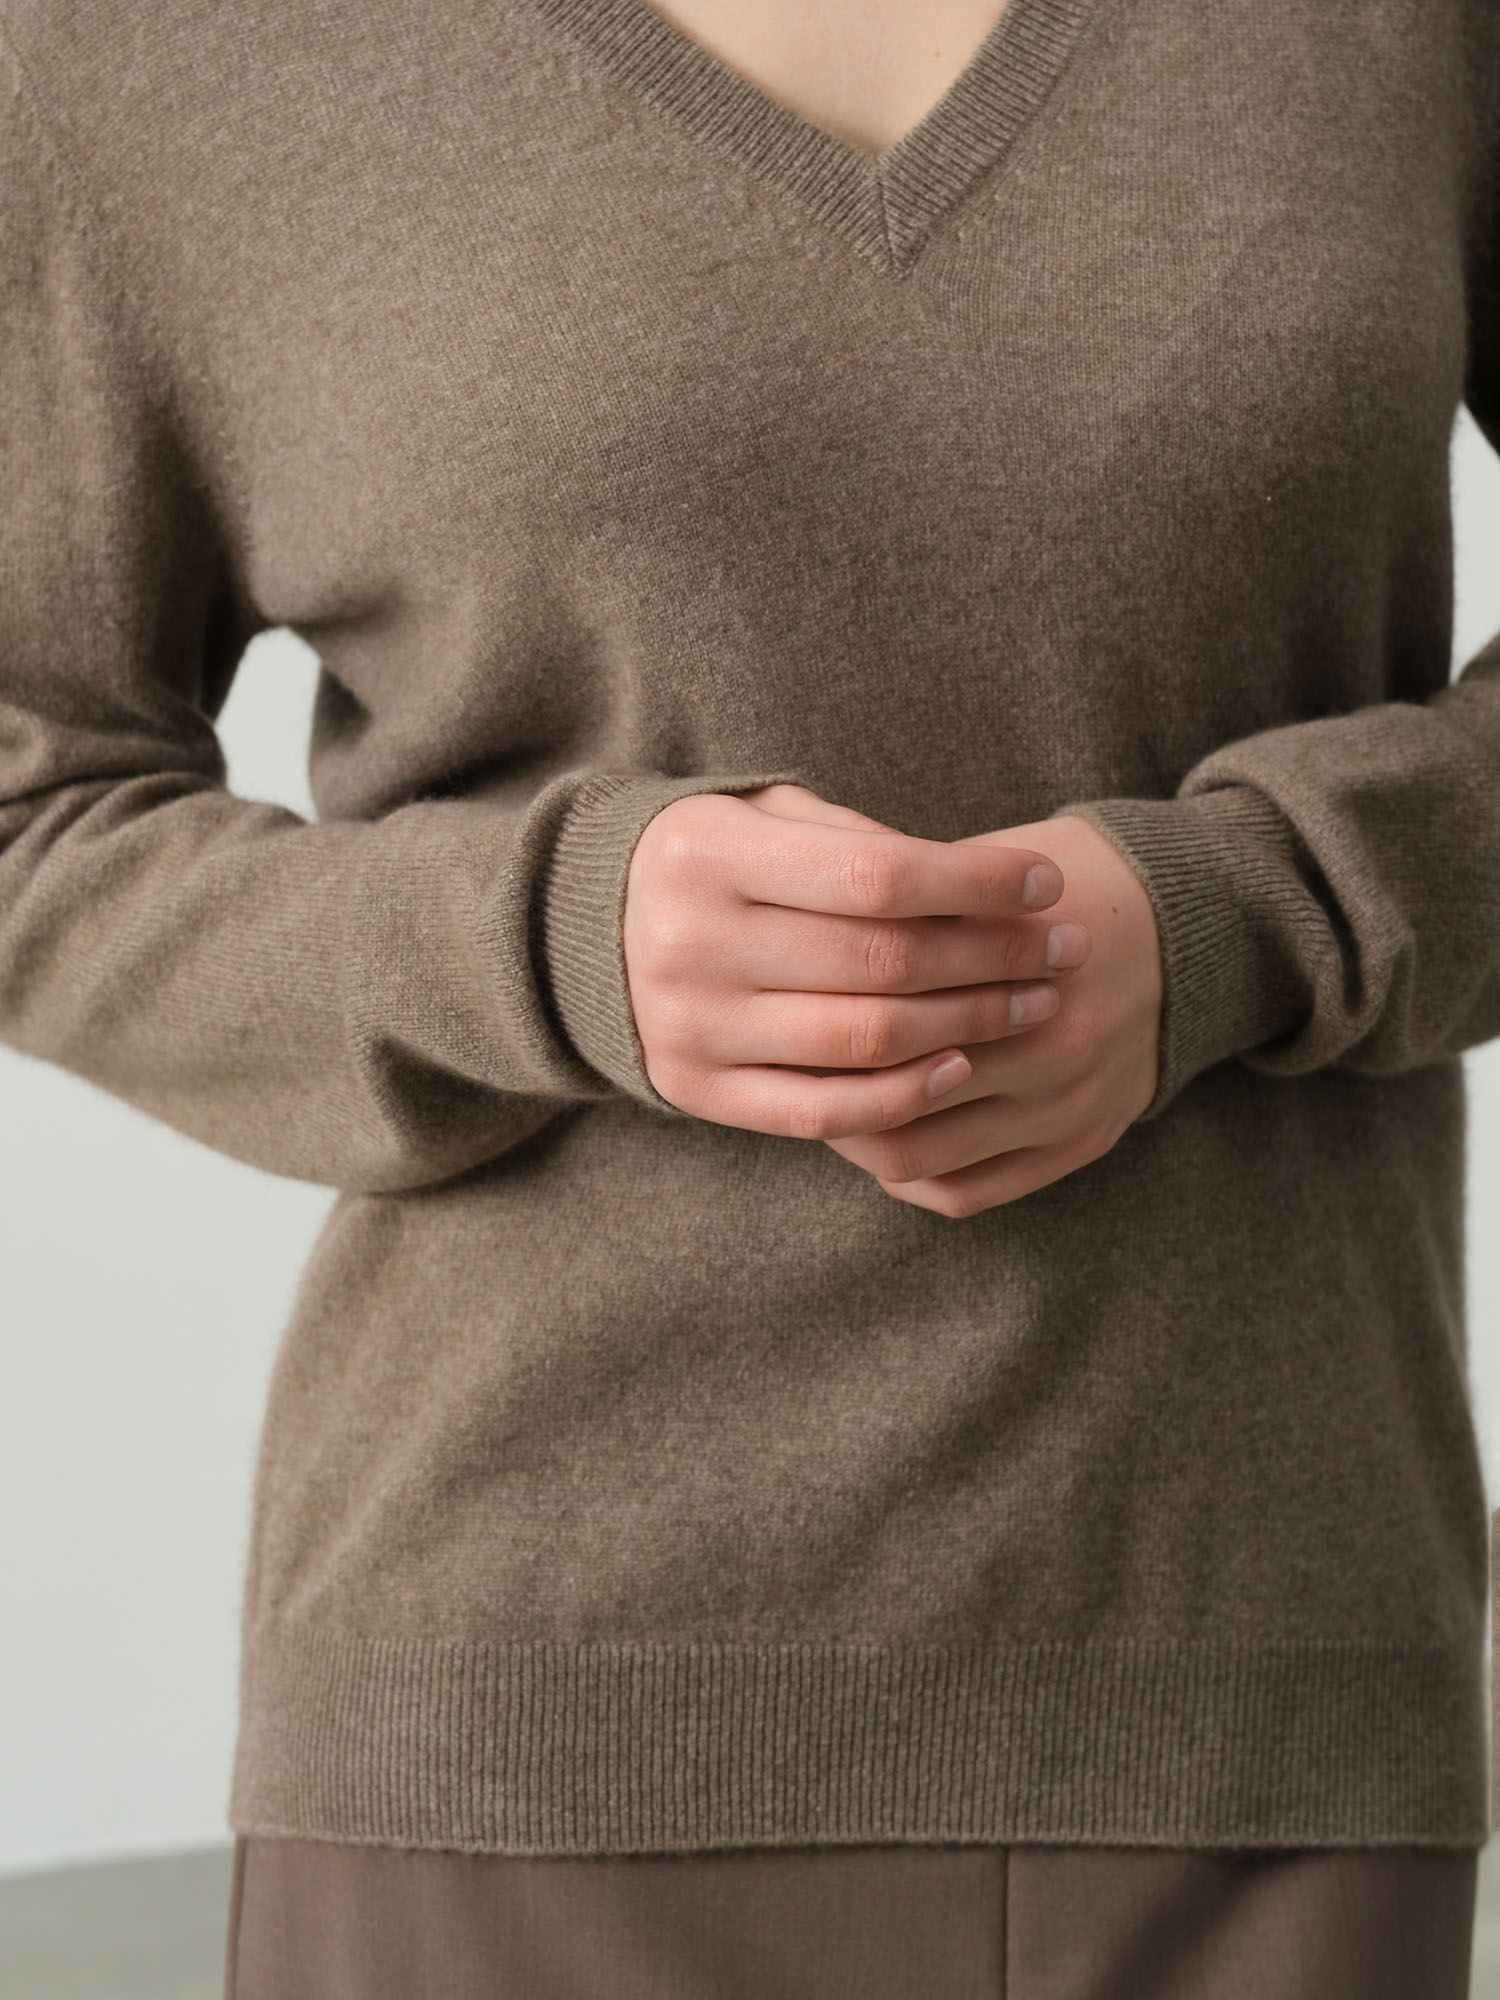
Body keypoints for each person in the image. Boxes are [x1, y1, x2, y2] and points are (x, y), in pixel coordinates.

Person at [0, 0, 1494, 1991]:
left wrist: (1270, 906)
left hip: (1256, 1688)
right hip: (514, 1727)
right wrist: (542, 941)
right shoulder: (135, 46)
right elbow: (33, 805)